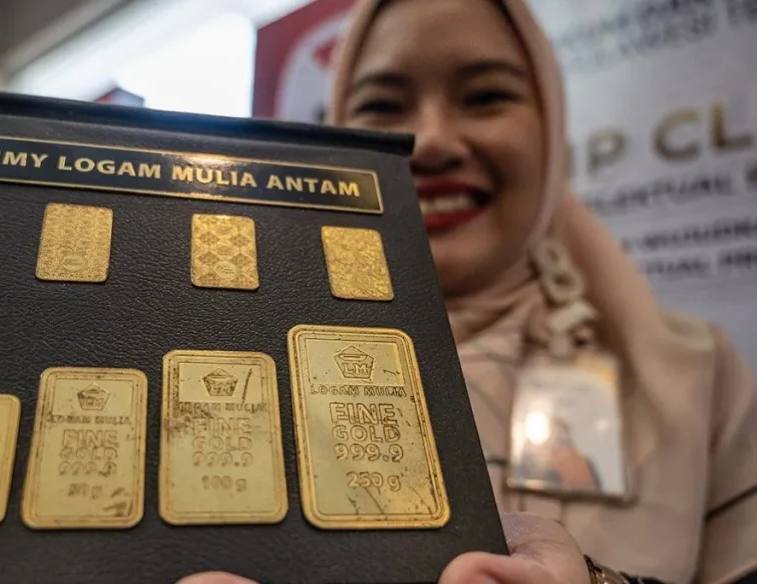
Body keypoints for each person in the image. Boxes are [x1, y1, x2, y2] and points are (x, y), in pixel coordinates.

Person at [185, 0, 757, 583]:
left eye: (486, 97)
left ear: (550, 126)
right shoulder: (241, 375)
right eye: (382, 106)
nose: (432, 141)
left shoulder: (700, 376)